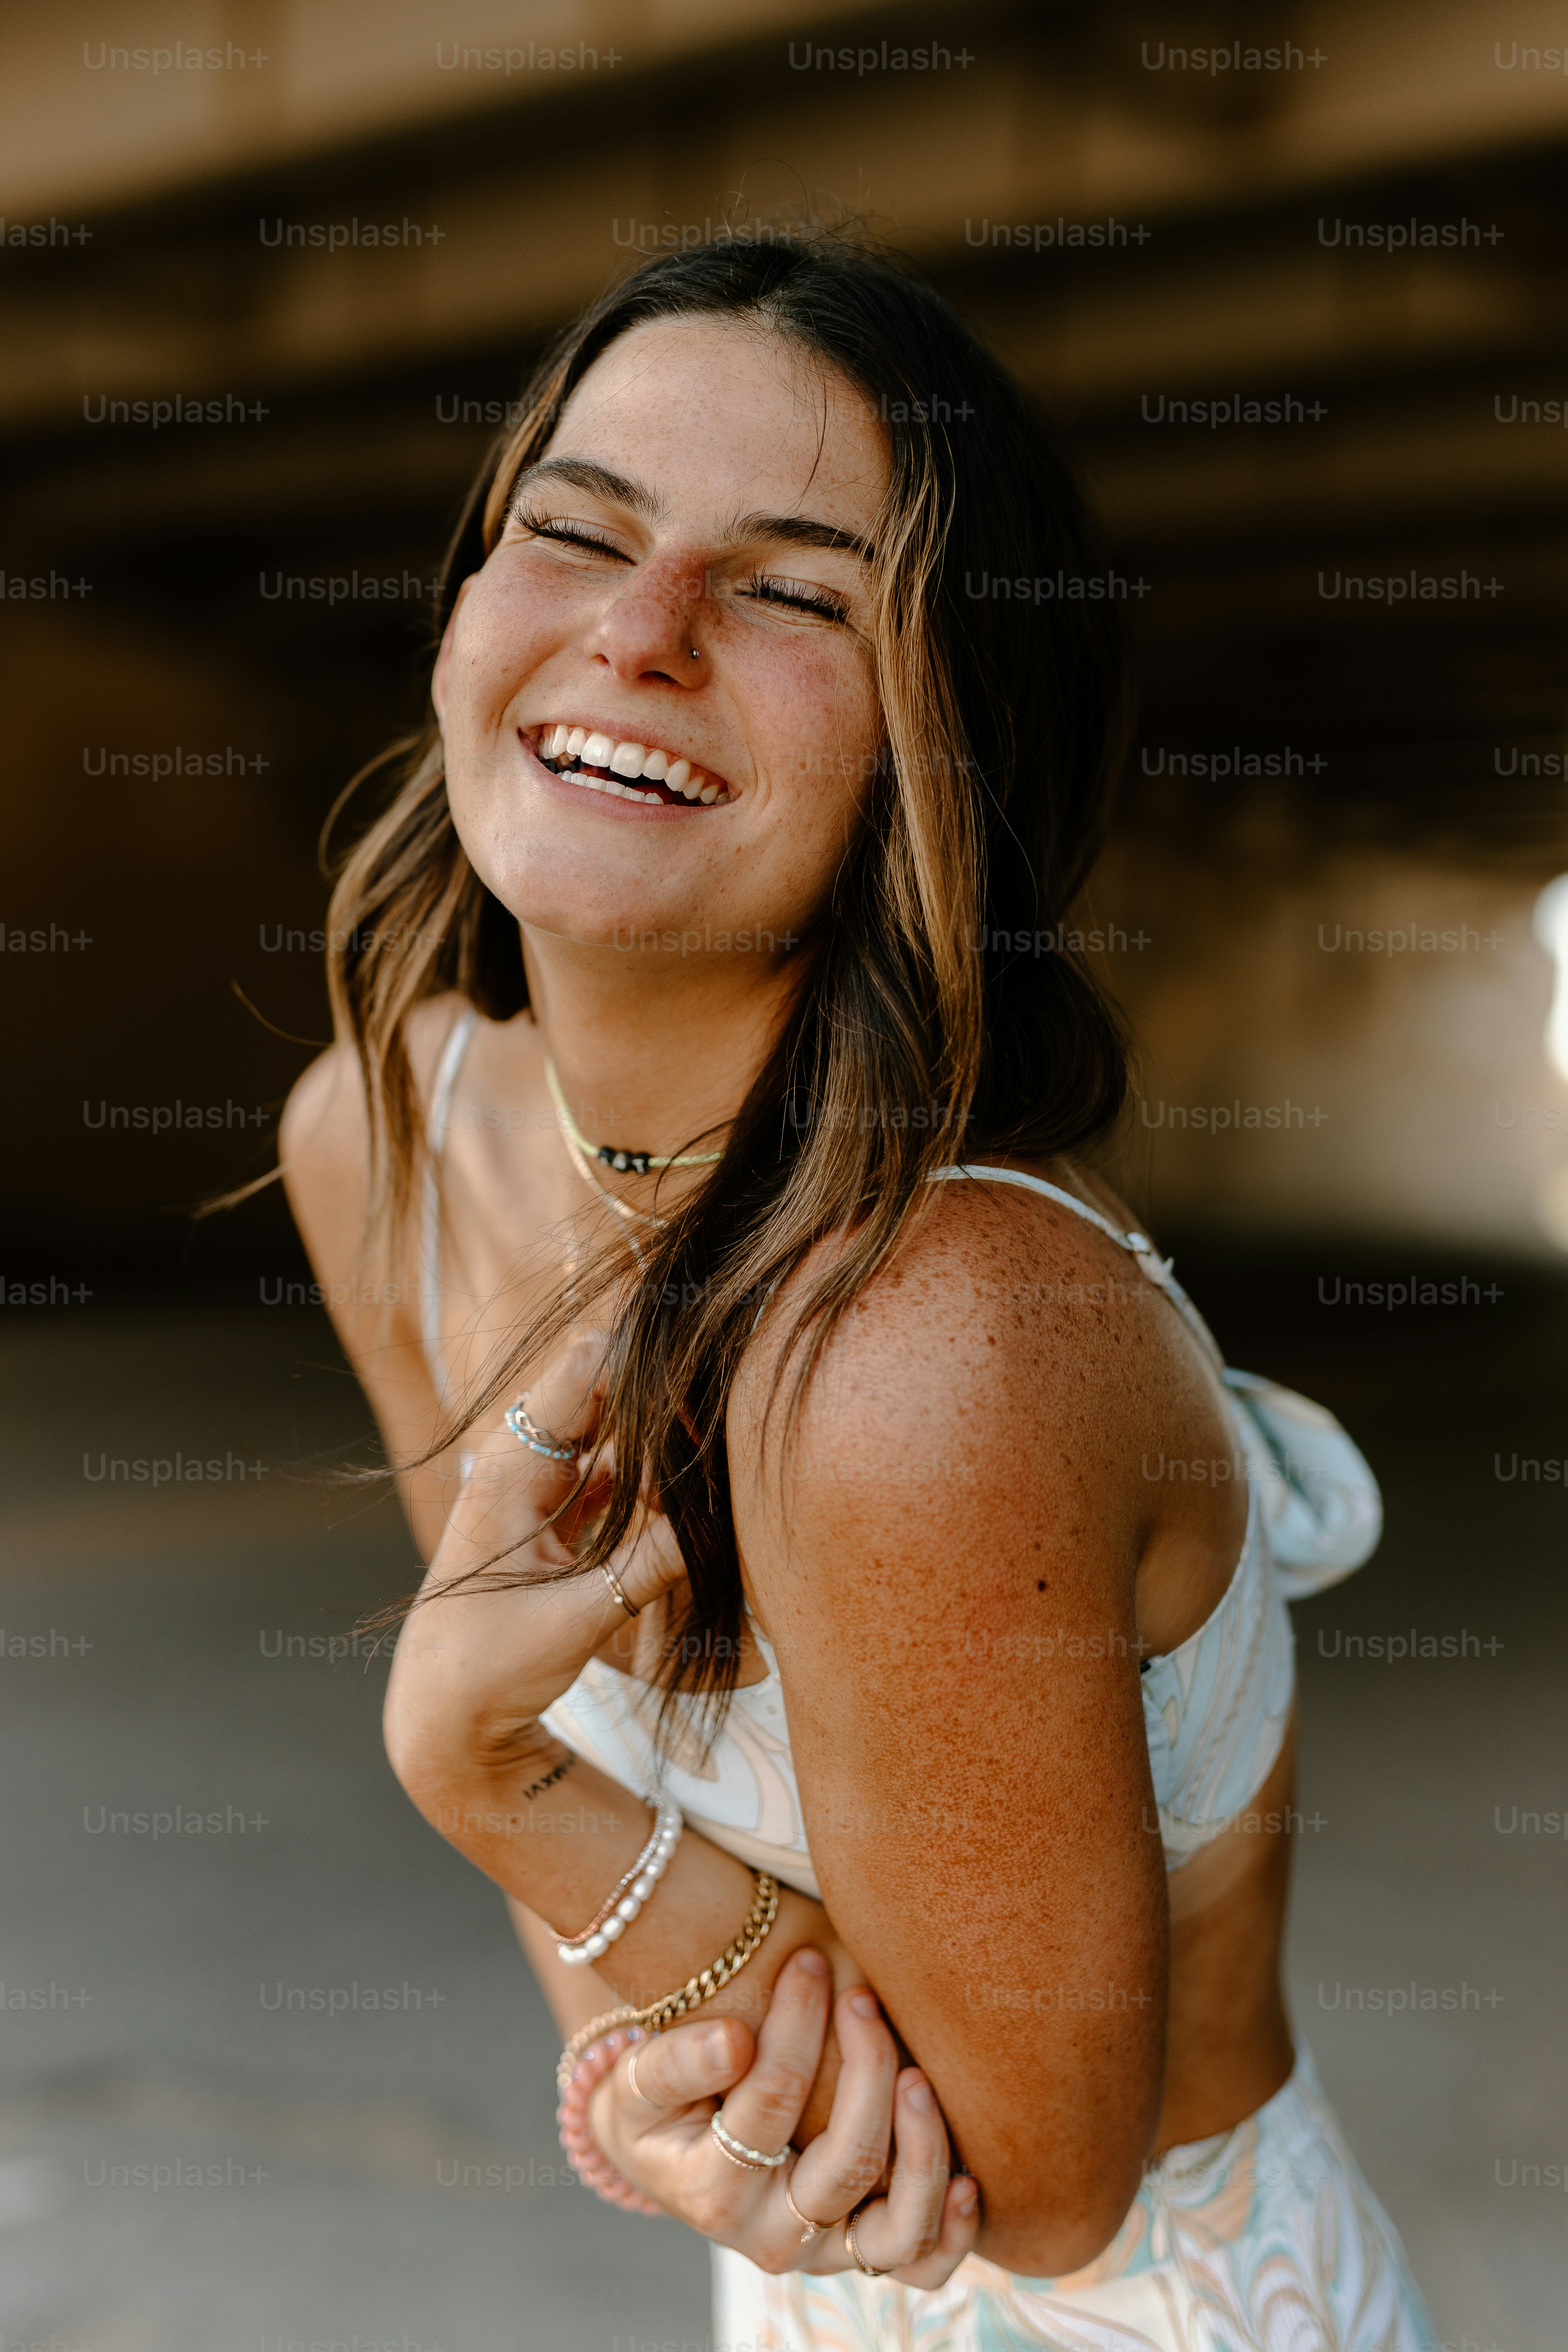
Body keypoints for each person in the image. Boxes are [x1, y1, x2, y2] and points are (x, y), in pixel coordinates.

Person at [279, 229, 1434, 2348]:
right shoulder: (386, 1145)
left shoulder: (935, 1332)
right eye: (575, 532)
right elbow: (652, 1972)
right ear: (465, 604)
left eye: (796, 588)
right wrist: (678, 2107)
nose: (640, 634)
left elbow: (1036, 2188)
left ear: (941, 758)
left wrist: (490, 1783)